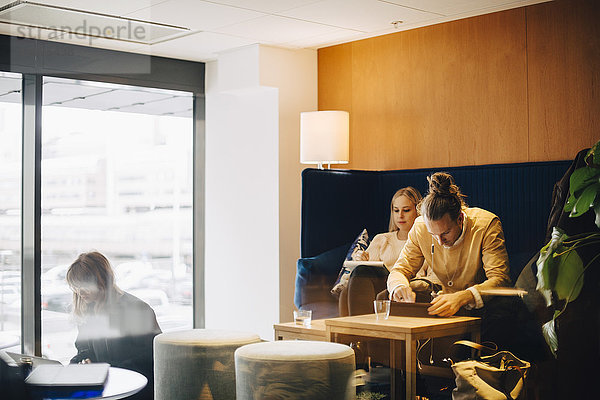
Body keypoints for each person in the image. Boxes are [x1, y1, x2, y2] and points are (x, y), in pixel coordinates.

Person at [387, 172, 511, 317]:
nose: (439, 241)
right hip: (441, 297)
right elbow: (400, 270)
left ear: (459, 218)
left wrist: (462, 297)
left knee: (504, 307)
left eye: (445, 233)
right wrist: (399, 286)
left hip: (481, 305)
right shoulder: (420, 227)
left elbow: (500, 279)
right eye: (433, 234)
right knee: (388, 295)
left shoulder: (486, 225)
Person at [66, 252, 162, 400]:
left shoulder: (136, 309)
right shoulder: (88, 311)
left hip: (133, 391)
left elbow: (150, 358)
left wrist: (105, 368)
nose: (80, 292)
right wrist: (78, 364)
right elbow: (84, 348)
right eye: (76, 287)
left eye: (84, 285)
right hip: (106, 389)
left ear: (102, 280)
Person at [339, 187, 439, 316]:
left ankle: (362, 331)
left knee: (360, 277)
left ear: (418, 210)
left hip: (406, 285)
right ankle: (360, 331)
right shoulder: (382, 239)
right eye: (396, 210)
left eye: (406, 210)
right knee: (359, 274)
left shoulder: (429, 240)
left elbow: (434, 278)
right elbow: (366, 271)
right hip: (378, 284)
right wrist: (361, 259)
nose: (400, 216)